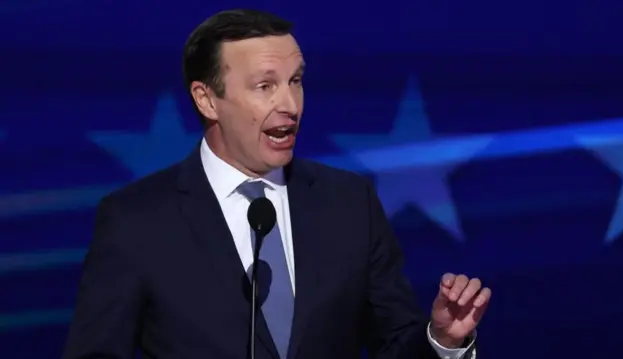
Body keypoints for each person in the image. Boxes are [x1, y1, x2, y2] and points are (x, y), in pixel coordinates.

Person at [62, 9, 491, 359]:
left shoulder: (348, 203)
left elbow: (392, 344)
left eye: (296, 81)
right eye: (265, 86)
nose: (290, 105)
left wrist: (442, 340)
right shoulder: (136, 219)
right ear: (206, 98)